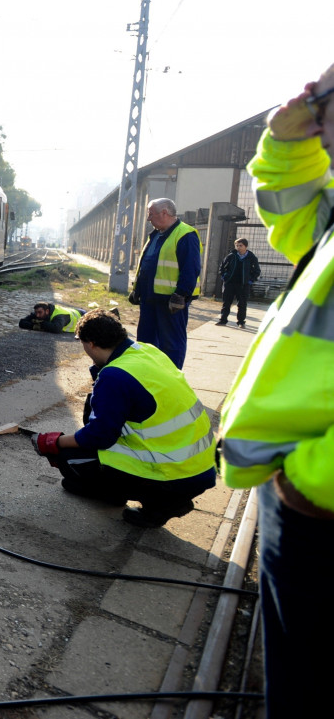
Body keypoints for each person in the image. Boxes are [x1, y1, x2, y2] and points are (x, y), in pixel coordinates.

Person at [217, 64, 334, 718]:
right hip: (304, 489)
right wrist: (287, 143)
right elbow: (297, 217)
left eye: (324, 104)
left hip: (320, 499)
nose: (315, 118)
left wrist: (310, 485)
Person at [32, 309, 215, 528]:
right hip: (199, 468)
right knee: (94, 414)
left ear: (90, 344)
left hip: (171, 474)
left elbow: (99, 436)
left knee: (70, 458)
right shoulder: (147, 351)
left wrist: (53, 442)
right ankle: (164, 497)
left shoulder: (114, 375)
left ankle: (159, 504)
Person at [129, 197, 201, 368]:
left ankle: (171, 380)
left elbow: (191, 268)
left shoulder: (185, 235)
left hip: (171, 301)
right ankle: (147, 376)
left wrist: (181, 295)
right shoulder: (155, 235)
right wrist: (137, 290)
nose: (148, 218)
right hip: (150, 298)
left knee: (171, 344)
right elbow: (147, 264)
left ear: (164, 213)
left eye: (150, 214)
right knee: (146, 343)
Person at [215, 238, 261, 328]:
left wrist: (250, 280)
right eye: (237, 245)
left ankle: (241, 322)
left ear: (246, 246)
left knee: (242, 304)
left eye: (241, 246)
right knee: (226, 303)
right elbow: (222, 267)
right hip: (230, 283)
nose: (238, 247)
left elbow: (257, 270)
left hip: (243, 284)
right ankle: (223, 320)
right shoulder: (231, 256)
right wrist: (224, 277)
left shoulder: (251, 257)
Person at [18, 300, 83, 333]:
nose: (37, 315)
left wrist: (39, 325)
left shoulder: (59, 316)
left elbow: (56, 329)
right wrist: (34, 326)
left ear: (47, 311)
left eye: (40, 312)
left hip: (81, 314)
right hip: (71, 310)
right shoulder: (39, 313)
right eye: (36, 312)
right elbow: (21, 322)